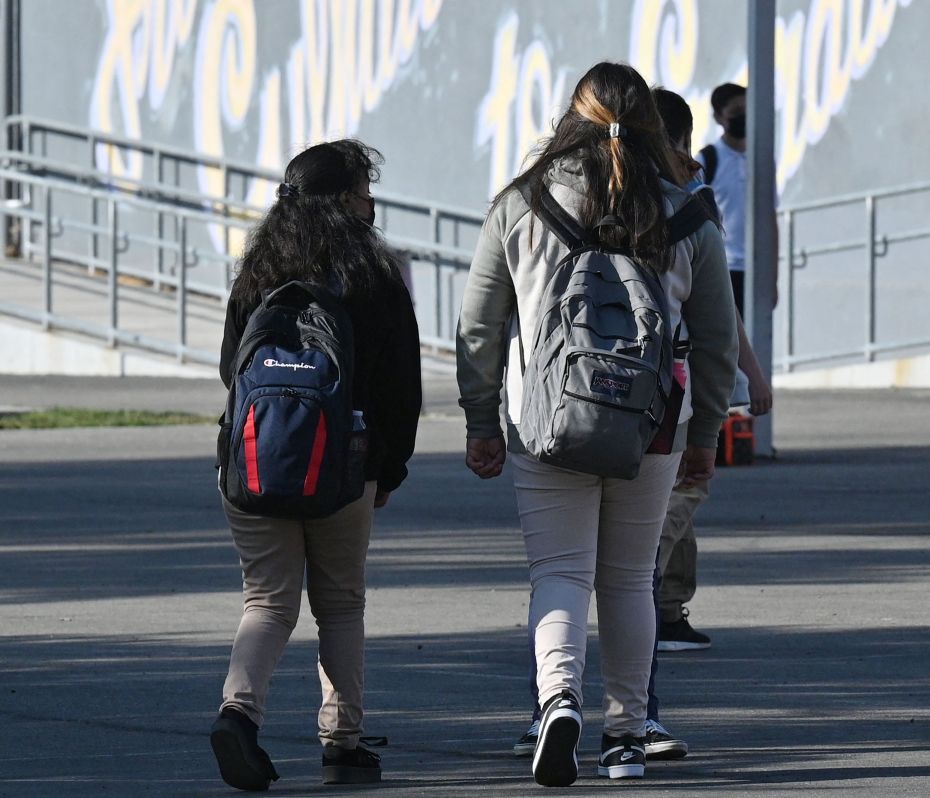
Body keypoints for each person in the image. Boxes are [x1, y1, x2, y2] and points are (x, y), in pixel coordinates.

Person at [457, 62, 738, 786]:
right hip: (651, 424)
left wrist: (480, 420)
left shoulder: (519, 204)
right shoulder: (686, 213)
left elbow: (480, 327)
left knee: (559, 572)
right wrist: (707, 435)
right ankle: (626, 735)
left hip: (546, 418)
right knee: (628, 581)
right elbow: (714, 340)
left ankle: (557, 702)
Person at [209, 140, 421, 790]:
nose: (370, 200)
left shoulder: (257, 271)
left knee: (267, 602)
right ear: (344, 200)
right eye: (363, 189)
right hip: (344, 468)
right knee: (341, 604)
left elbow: (230, 370)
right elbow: (399, 388)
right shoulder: (374, 276)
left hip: (254, 463)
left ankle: (238, 715)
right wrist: (389, 470)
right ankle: (342, 739)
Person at [654, 88, 773, 653]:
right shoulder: (692, 199)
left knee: (669, 484)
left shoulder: (602, 198)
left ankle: (667, 608)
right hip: (677, 372)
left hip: (611, 376)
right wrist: (749, 372)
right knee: (687, 483)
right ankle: (643, 579)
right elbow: (717, 310)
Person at [698, 83, 778, 315]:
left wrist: (773, 276)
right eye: (735, 113)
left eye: (747, 110)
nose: (743, 117)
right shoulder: (706, 160)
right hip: (723, 269)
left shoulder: (762, 157)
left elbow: (770, 217)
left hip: (757, 270)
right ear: (719, 117)